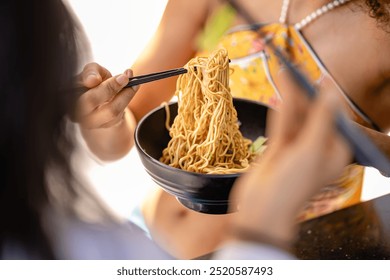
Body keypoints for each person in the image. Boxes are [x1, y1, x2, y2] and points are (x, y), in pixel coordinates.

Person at [0, 0, 352, 260]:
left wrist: (354, 144)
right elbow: (123, 133)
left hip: (284, 252)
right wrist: (106, 117)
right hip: (150, 242)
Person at [122, 0, 390, 258]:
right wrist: (105, 114)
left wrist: (360, 141)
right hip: (145, 237)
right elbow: (131, 114)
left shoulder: (383, 31)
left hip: (277, 256)